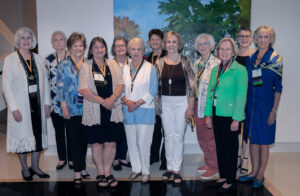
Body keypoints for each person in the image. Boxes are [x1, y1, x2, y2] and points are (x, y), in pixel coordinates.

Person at [2, 27, 51, 181]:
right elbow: (6, 86)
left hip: (37, 105)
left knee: (37, 137)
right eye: (22, 38)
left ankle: (36, 167)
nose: (26, 41)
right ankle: (25, 168)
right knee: (22, 138)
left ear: (33, 41)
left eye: (28, 38)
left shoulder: (39, 59)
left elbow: (46, 83)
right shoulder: (10, 60)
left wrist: (47, 103)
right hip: (21, 107)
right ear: (18, 41)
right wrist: (14, 108)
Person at [239, 25, 283, 189]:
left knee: (263, 142)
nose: (263, 40)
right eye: (260, 37)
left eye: (266, 37)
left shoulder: (276, 59)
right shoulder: (251, 59)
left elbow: (278, 88)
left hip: (266, 107)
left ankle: (260, 174)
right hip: (250, 105)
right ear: (255, 40)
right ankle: (252, 171)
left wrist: (274, 110)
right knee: (252, 139)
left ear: (270, 39)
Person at [78, 37, 124, 188]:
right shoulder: (86, 66)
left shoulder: (113, 64)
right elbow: (83, 89)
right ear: (91, 50)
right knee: (97, 143)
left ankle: (108, 171)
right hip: (95, 110)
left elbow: (121, 84)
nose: (99, 50)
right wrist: (102, 101)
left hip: (112, 109)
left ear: (106, 49)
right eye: (96, 47)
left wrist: (112, 98)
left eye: (102, 47)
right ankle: (100, 172)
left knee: (110, 143)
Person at [204, 37, 248, 192]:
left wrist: (237, 119)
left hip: (231, 116)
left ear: (233, 52)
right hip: (217, 113)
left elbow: (241, 96)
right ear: (218, 51)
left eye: (227, 49)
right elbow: (210, 93)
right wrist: (208, 114)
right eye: (221, 49)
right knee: (221, 147)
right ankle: (223, 176)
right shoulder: (216, 69)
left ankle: (230, 180)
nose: (224, 52)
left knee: (230, 149)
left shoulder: (239, 70)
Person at [156, 31, 195, 184]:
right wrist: (156, 105)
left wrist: (190, 107)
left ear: (179, 45)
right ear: (164, 44)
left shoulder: (186, 61)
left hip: (182, 103)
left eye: (174, 42)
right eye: (168, 42)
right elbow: (155, 87)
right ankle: (169, 168)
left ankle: (176, 169)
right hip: (164, 102)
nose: (171, 45)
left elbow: (192, 88)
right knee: (168, 136)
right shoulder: (159, 63)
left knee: (178, 136)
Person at [122, 37, 158, 183]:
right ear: (129, 51)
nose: (136, 52)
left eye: (139, 49)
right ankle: (136, 169)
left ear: (143, 51)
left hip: (145, 110)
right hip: (128, 110)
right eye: (133, 49)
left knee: (143, 143)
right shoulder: (124, 68)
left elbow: (153, 90)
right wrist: (127, 101)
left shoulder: (150, 68)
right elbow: (120, 90)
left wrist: (136, 104)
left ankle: (146, 171)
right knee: (131, 142)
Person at [56, 32, 90, 184]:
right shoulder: (63, 65)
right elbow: (60, 88)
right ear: (69, 47)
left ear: (84, 47)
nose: (78, 48)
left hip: (88, 109)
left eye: (80, 45)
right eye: (75, 45)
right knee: (75, 140)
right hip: (71, 109)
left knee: (84, 140)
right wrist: (64, 107)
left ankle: (83, 168)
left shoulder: (88, 64)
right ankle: (77, 172)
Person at [193, 33, 220, 179]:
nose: (202, 46)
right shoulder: (196, 63)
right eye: (200, 44)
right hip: (197, 105)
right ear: (196, 47)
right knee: (201, 136)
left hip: (209, 106)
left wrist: (211, 110)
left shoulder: (217, 63)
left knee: (211, 137)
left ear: (211, 46)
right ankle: (208, 162)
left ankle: (214, 166)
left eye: (205, 44)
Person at [45, 31, 73, 170]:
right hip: (55, 103)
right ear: (52, 43)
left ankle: (72, 159)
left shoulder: (74, 57)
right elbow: (45, 83)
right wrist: (47, 104)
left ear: (66, 41)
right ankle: (62, 159)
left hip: (71, 103)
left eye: (61, 39)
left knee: (72, 132)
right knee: (59, 132)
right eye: (55, 40)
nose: (58, 42)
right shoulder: (48, 60)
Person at [145, 29, 167, 170]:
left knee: (167, 130)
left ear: (162, 41)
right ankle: (154, 156)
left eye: (157, 39)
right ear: (149, 42)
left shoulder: (168, 57)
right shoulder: (146, 58)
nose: (155, 42)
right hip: (150, 99)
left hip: (165, 98)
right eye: (152, 40)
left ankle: (166, 159)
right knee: (154, 129)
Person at [110, 36, 132, 171]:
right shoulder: (109, 64)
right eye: (117, 46)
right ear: (114, 48)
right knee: (116, 131)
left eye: (123, 45)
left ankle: (123, 157)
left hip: (130, 103)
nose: (120, 48)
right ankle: (115, 159)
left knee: (127, 132)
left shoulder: (132, 62)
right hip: (116, 103)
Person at [236, 27, 255, 174]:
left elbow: (258, 80)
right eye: (241, 36)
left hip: (249, 96)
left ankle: (245, 159)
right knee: (235, 127)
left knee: (247, 128)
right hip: (234, 96)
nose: (244, 39)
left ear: (251, 38)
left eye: (247, 36)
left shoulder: (255, 56)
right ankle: (236, 156)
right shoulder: (232, 55)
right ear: (237, 38)